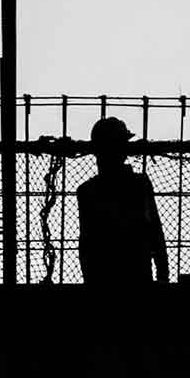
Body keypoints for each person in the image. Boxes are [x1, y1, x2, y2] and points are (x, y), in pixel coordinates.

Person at [75, 116, 170, 286]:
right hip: (138, 276)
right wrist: (163, 275)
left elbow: (86, 246)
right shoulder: (139, 184)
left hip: (103, 279)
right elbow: (155, 233)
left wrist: (89, 280)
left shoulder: (87, 191)